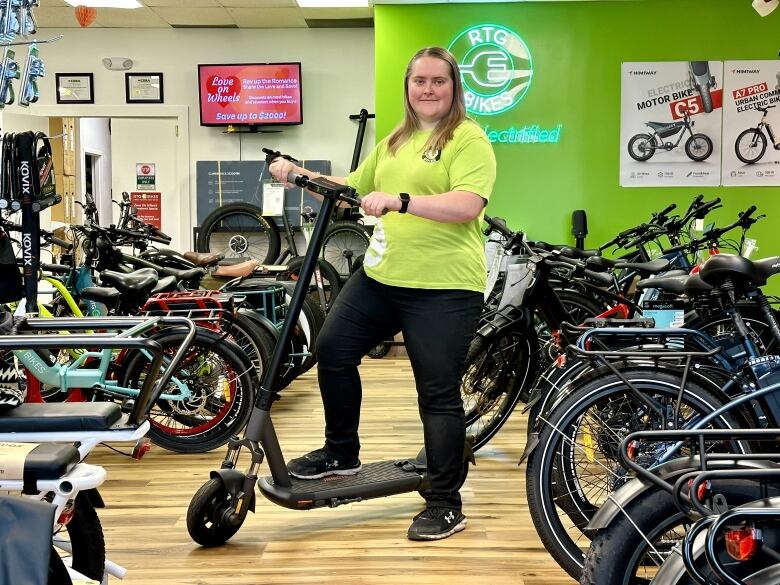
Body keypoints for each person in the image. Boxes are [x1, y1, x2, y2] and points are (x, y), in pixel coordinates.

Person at [269, 46, 496, 541]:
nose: (429, 89)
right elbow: (350, 187)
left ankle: (444, 501)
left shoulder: (468, 139)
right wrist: (299, 175)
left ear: (454, 87)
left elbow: (466, 203)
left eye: (439, 81)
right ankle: (341, 453)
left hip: (444, 286)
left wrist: (402, 201)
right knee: (332, 350)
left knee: (436, 395)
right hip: (382, 277)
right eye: (420, 81)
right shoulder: (396, 139)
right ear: (408, 87)